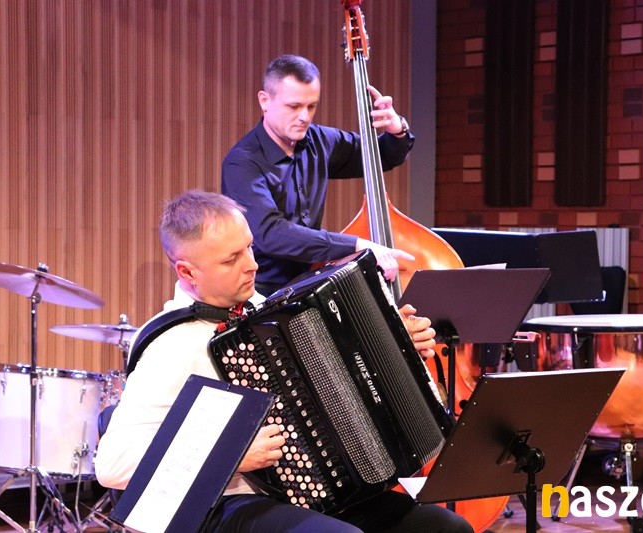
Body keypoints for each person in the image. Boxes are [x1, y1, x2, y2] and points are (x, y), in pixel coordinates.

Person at [95, 189, 472, 532]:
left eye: (248, 248)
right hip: (221, 503)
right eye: (231, 259)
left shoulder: (271, 313)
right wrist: (230, 454)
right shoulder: (169, 345)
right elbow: (113, 466)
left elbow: (348, 383)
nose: (251, 265)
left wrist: (395, 345)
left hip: (314, 493)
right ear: (187, 271)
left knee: (446, 528)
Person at [222, 54, 416, 297]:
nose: (305, 117)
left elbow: (382, 157)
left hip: (312, 285)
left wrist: (397, 131)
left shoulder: (320, 140)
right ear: (265, 100)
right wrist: (357, 244)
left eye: (311, 106)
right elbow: (270, 233)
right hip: (261, 293)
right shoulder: (242, 162)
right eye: (294, 106)